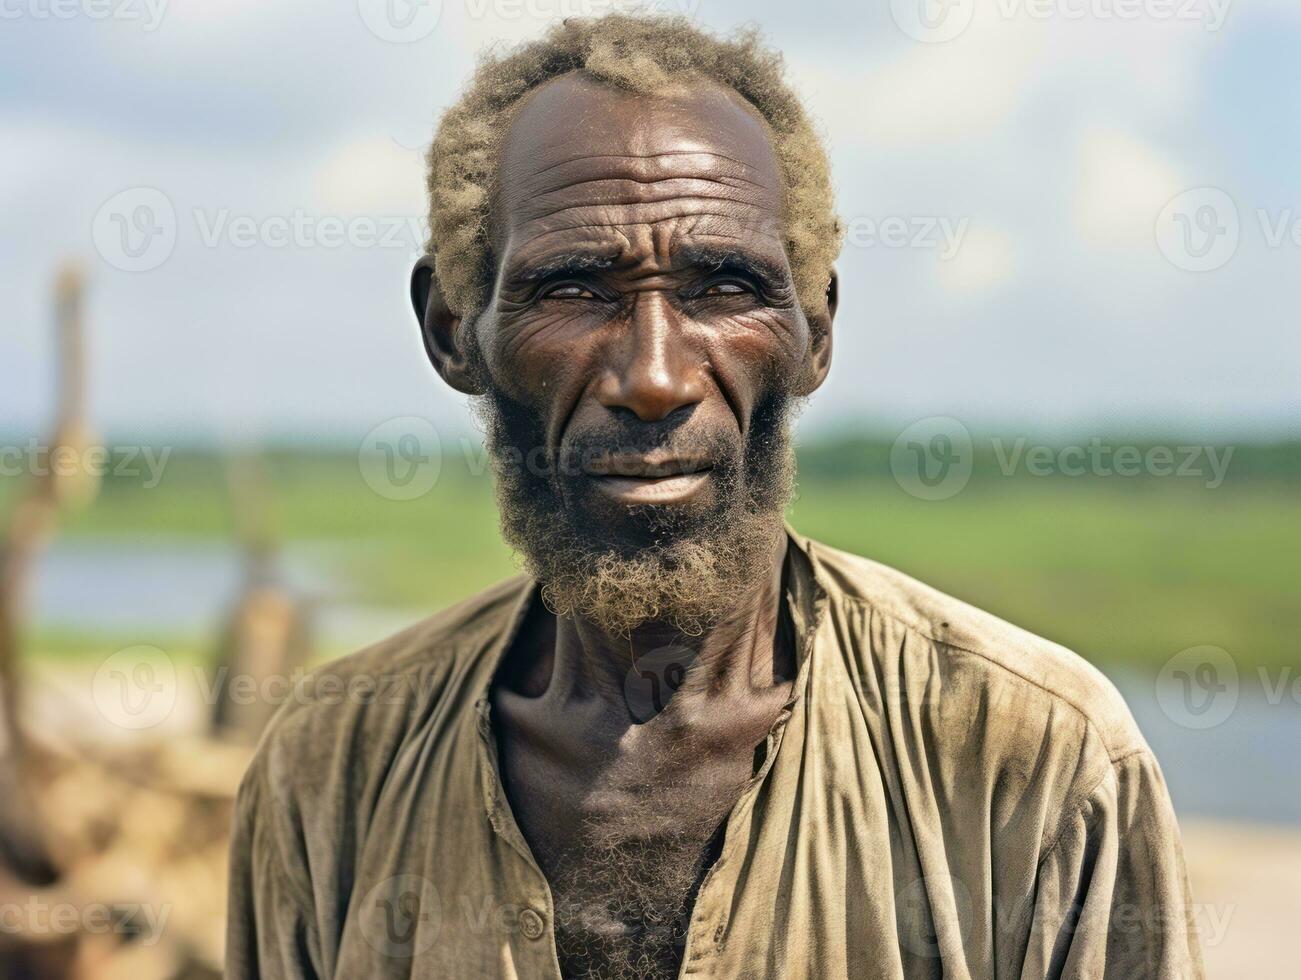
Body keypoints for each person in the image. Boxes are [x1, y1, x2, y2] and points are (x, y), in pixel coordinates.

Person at [226, 15, 1203, 979]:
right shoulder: (334, 768)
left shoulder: (1028, 756)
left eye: (724, 285)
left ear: (813, 331)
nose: (653, 376)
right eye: (573, 288)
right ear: (452, 331)